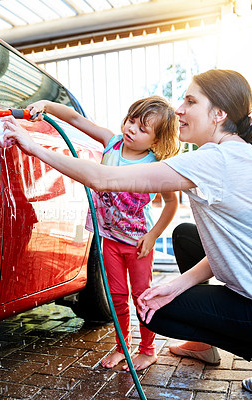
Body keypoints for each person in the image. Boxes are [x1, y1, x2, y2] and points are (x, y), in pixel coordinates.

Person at [2, 69, 252, 392]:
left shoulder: (214, 159)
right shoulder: (237, 153)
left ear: (219, 114)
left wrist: (31, 145)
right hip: (123, 243)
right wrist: (178, 284)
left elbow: (102, 179)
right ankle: (201, 342)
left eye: (190, 101)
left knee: (149, 312)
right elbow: (230, 248)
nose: (179, 109)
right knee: (186, 237)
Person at [16, 96, 181, 371]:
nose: (131, 129)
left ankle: (148, 349)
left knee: (142, 295)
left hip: (138, 242)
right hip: (110, 238)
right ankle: (122, 348)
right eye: (131, 120)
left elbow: (172, 203)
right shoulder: (112, 142)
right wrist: (46, 104)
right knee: (116, 295)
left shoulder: (155, 164)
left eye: (142, 129)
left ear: (155, 141)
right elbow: (75, 119)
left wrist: (153, 235)